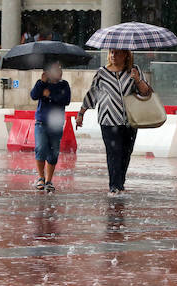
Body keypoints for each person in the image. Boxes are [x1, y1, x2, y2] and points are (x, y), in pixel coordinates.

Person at [76, 49, 152, 197]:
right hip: (108, 120)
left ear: (126, 55)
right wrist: (81, 114)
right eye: (111, 52)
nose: (113, 55)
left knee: (125, 153)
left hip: (130, 120)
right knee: (113, 153)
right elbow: (93, 93)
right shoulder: (102, 73)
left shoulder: (134, 70)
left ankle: (120, 184)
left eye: (117, 53)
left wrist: (137, 79)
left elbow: (146, 92)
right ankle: (114, 187)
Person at [30, 61, 71, 193]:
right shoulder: (42, 84)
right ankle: (41, 178)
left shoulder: (64, 85)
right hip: (41, 122)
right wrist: (42, 82)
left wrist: (50, 96)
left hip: (56, 124)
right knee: (40, 148)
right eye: (56, 69)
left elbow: (66, 100)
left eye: (60, 68)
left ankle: (49, 180)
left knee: (53, 153)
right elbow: (33, 95)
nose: (59, 71)